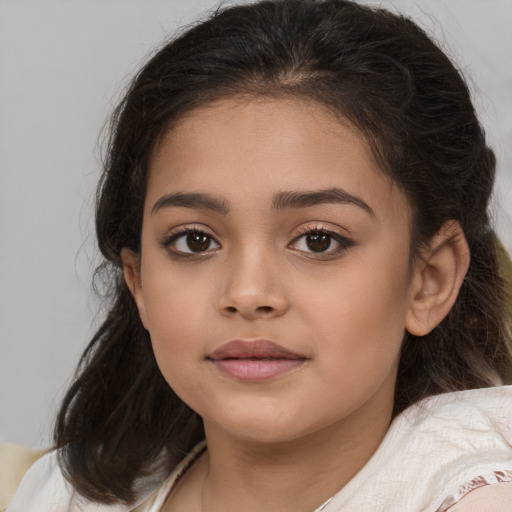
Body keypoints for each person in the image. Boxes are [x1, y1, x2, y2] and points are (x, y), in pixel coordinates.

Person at [6, 0, 512, 510]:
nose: (248, 294)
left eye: (319, 240)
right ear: (138, 284)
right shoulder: (63, 496)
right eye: (194, 240)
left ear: (429, 279)